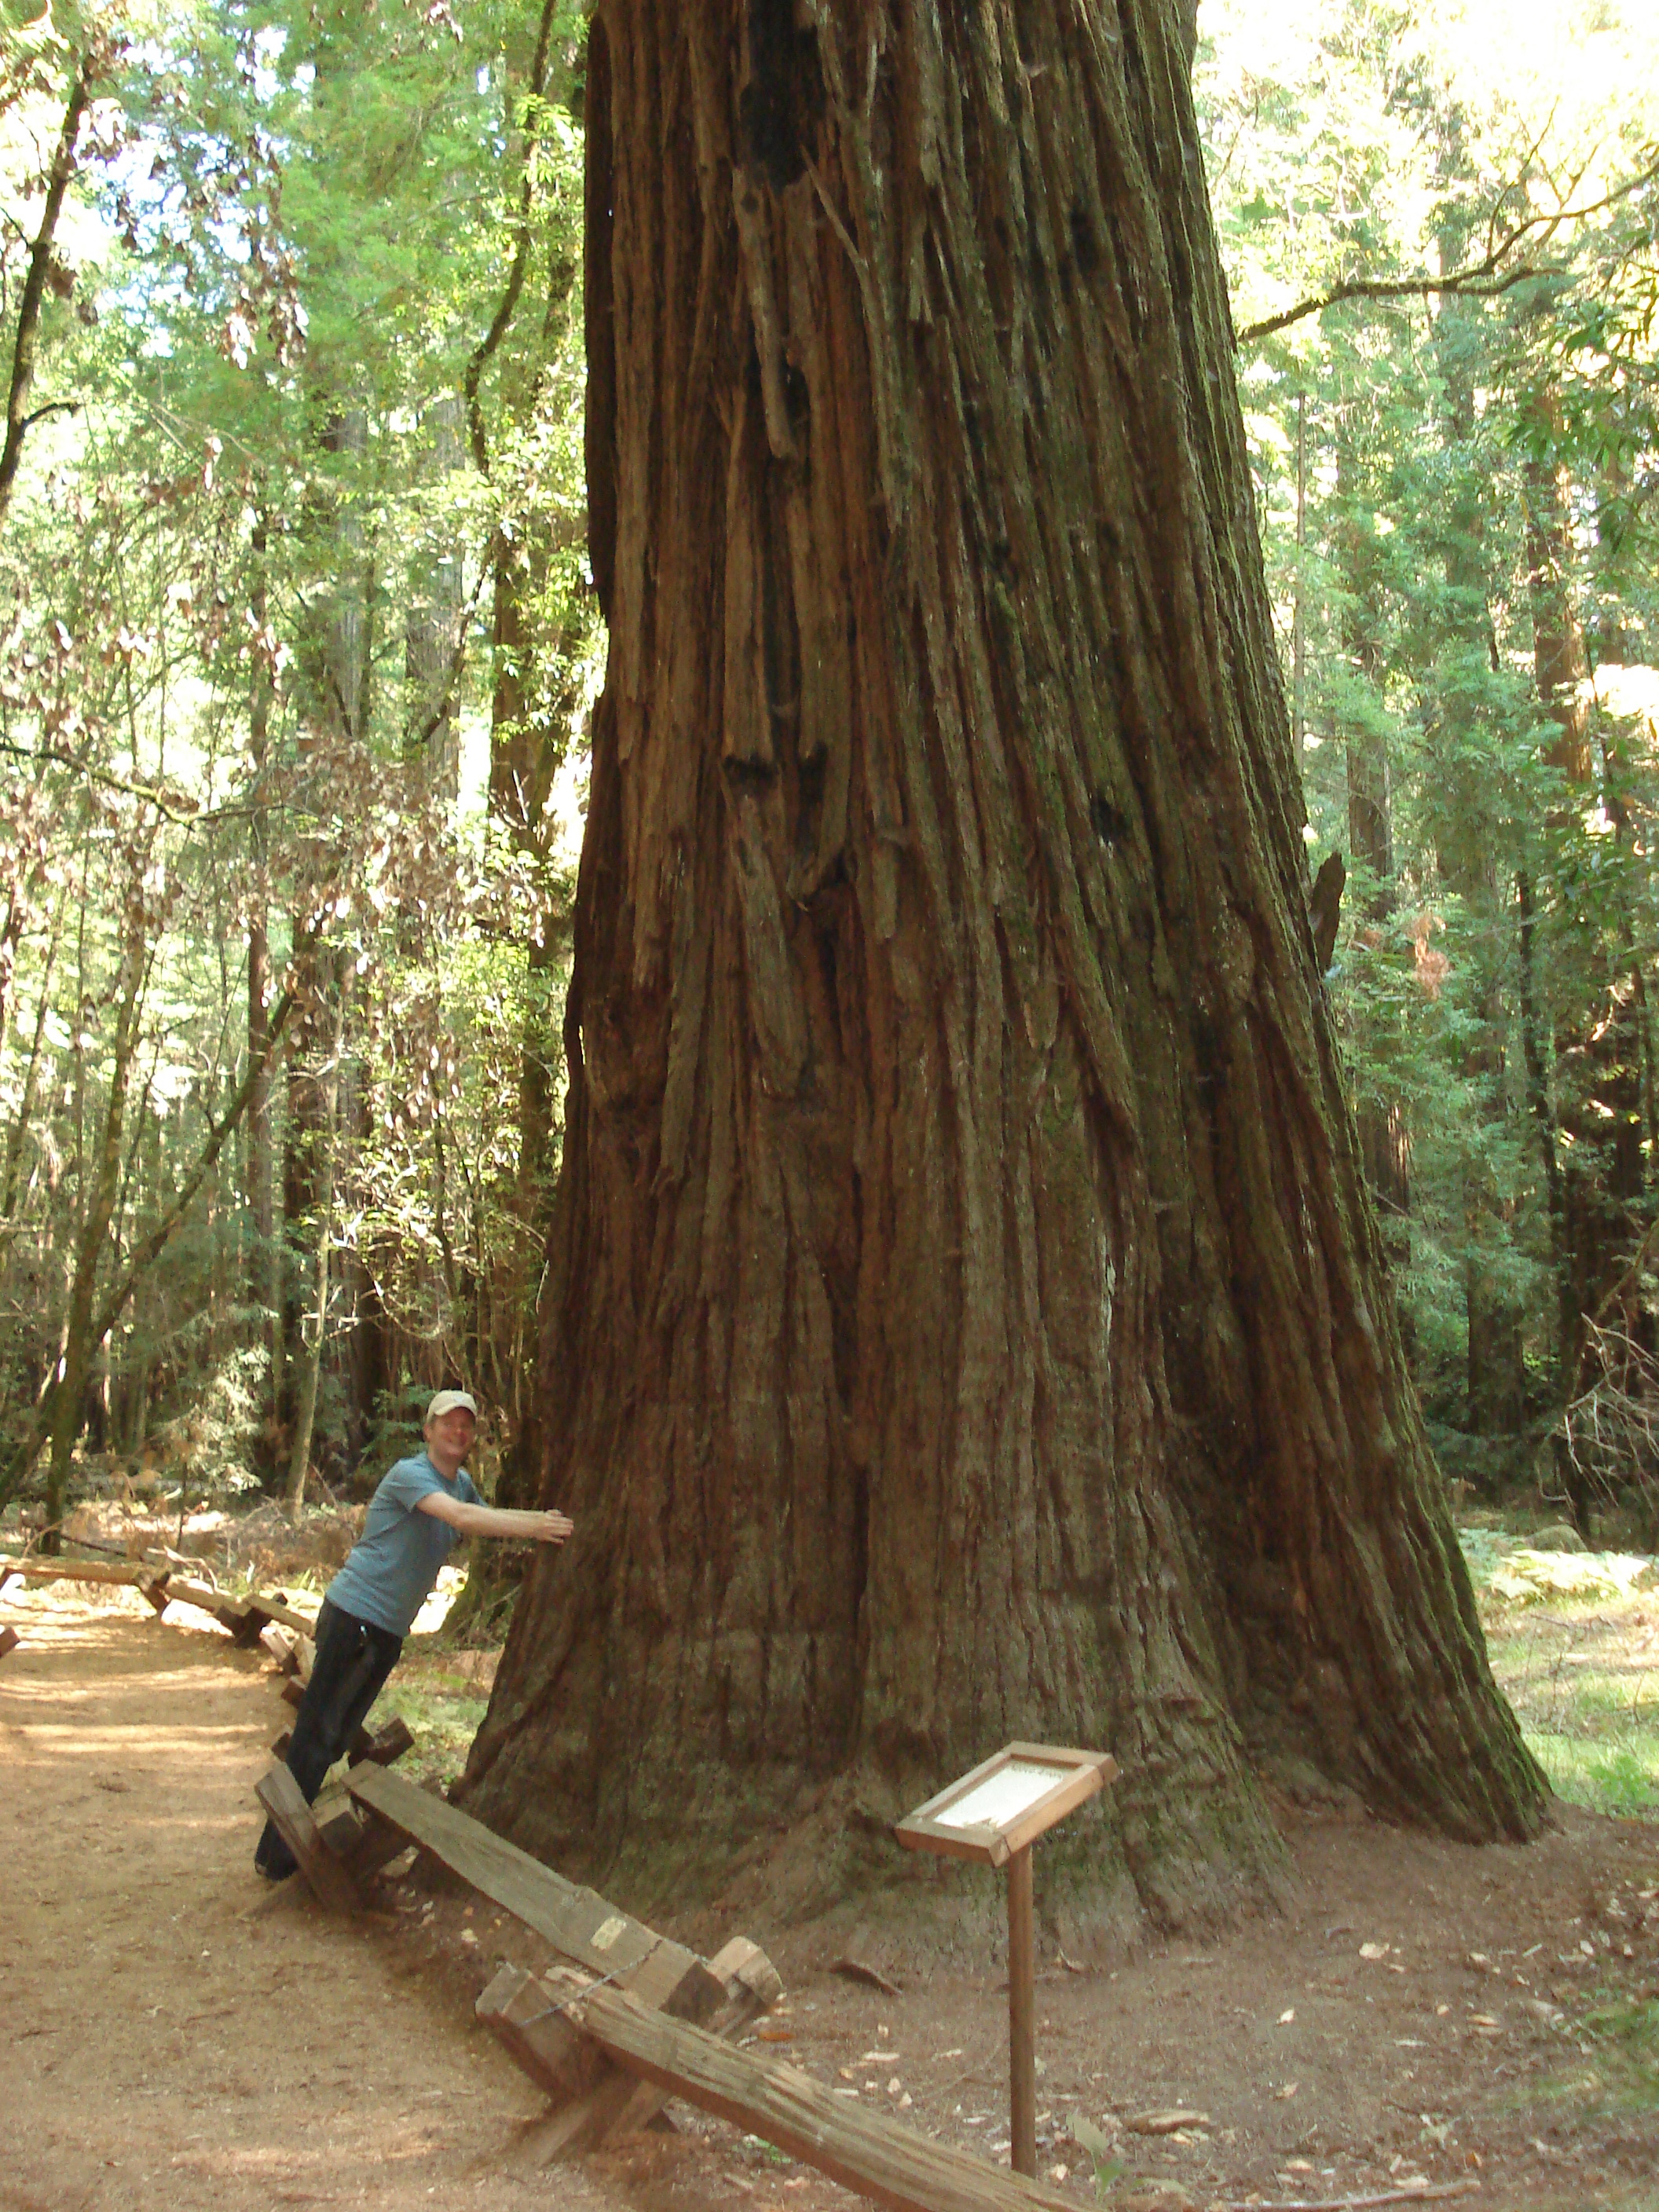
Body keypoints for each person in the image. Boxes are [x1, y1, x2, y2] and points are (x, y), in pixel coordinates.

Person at [254, 1389, 571, 1879]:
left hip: (386, 1633)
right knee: (319, 1731)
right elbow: (462, 1518)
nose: (458, 1432)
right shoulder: (411, 1475)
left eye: (466, 1425)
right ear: (428, 1431)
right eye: (448, 1423)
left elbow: (483, 1522)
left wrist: (534, 1532)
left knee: (335, 1737)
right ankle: (276, 1858)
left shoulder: (462, 1484)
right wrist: (538, 1525)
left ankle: (293, 1846)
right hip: (354, 1618)